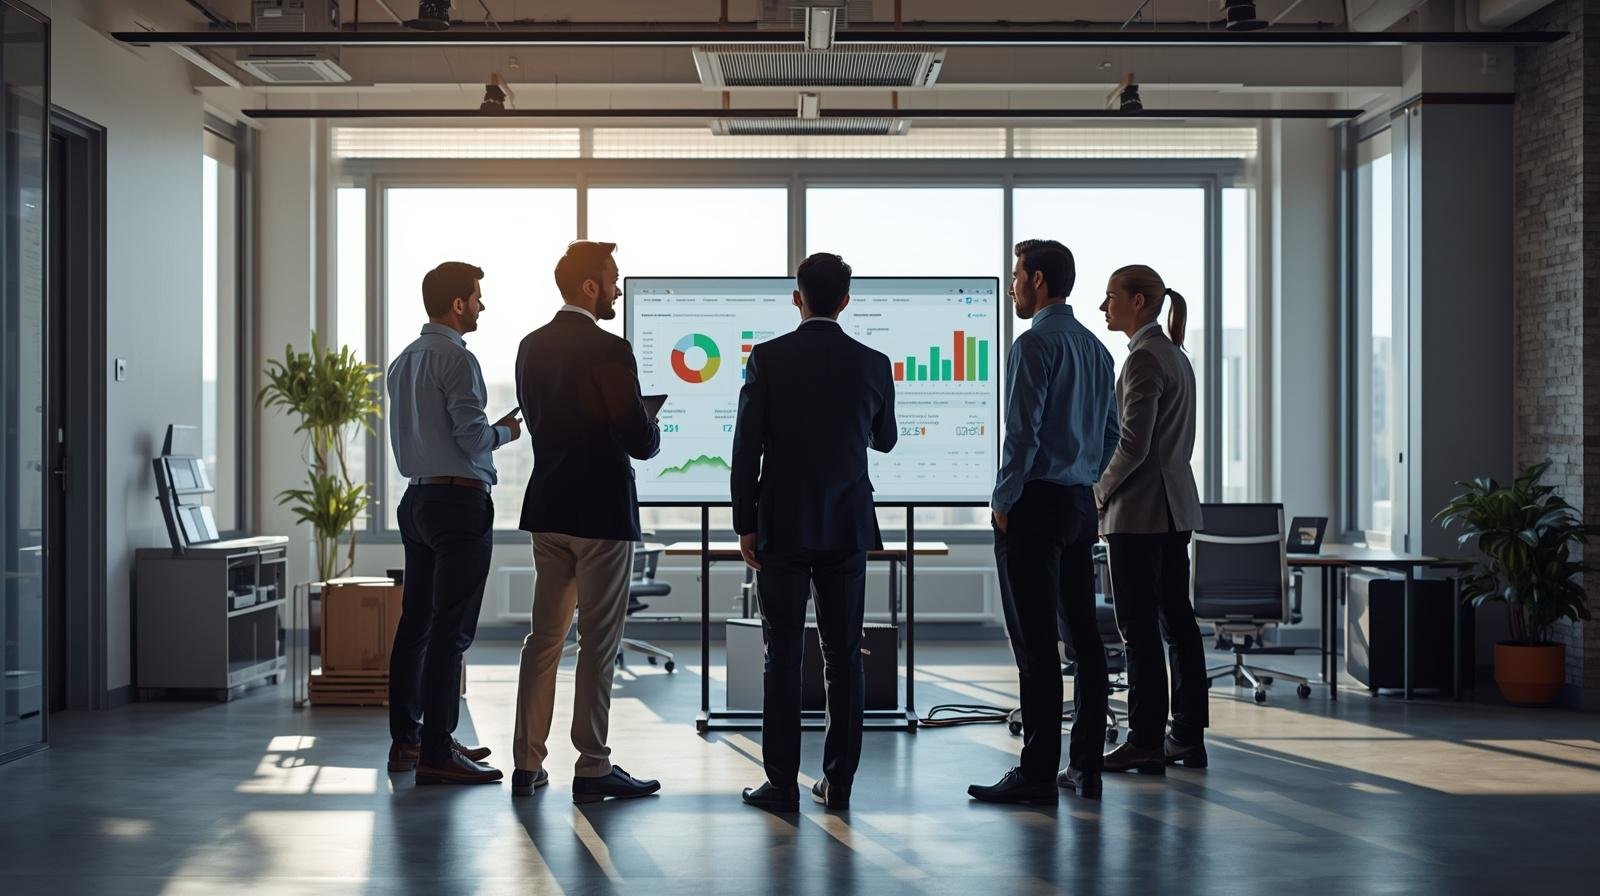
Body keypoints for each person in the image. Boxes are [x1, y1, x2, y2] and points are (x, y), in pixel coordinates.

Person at [733, 252, 897, 814]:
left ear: (797, 298)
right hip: (847, 524)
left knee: (781, 654)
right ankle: (839, 782)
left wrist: (745, 523)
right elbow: (885, 439)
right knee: (844, 655)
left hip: (781, 525)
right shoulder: (873, 363)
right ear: (845, 301)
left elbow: (746, 448)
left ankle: (781, 784)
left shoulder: (768, 358)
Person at [510, 241, 664, 804]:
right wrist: (651, 424)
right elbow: (635, 438)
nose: (617, 289)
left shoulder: (529, 346)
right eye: (613, 278)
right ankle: (593, 766)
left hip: (549, 508)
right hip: (602, 512)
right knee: (598, 643)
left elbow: (543, 419)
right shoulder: (609, 348)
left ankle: (526, 764)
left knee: (544, 640)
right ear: (590, 286)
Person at [969, 240, 1119, 806]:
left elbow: (1022, 433)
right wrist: (1086, 476)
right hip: (1079, 506)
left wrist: (1004, 499)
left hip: (1034, 506)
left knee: (1036, 647)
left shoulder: (1033, 345)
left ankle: (1035, 774)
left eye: (1015, 275)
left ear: (1036, 279)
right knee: (1084, 640)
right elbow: (1112, 434)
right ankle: (1085, 768)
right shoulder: (1097, 350)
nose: (1012, 286)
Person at [386, 261, 522, 785]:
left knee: (416, 626)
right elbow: (472, 438)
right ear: (458, 303)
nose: (482, 305)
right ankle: (438, 752)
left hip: (417, 501)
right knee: (451, 631)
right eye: (477, 296)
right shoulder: (458, 359)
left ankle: (410, 741)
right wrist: (506, 431)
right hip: (459, 504)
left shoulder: (403, 361)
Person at [1095, 264, 1207, 775]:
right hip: (1175, 508)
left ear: (1138, 302)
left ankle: (1143, 741)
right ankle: (1186, 736)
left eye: (1111, 296)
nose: (1104, 306)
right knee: (1178, 624)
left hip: (1140, 513)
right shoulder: (1175, 355)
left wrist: (1099, 492)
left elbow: (1133, 445)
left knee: (1138, 630)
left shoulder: (1143, 359)